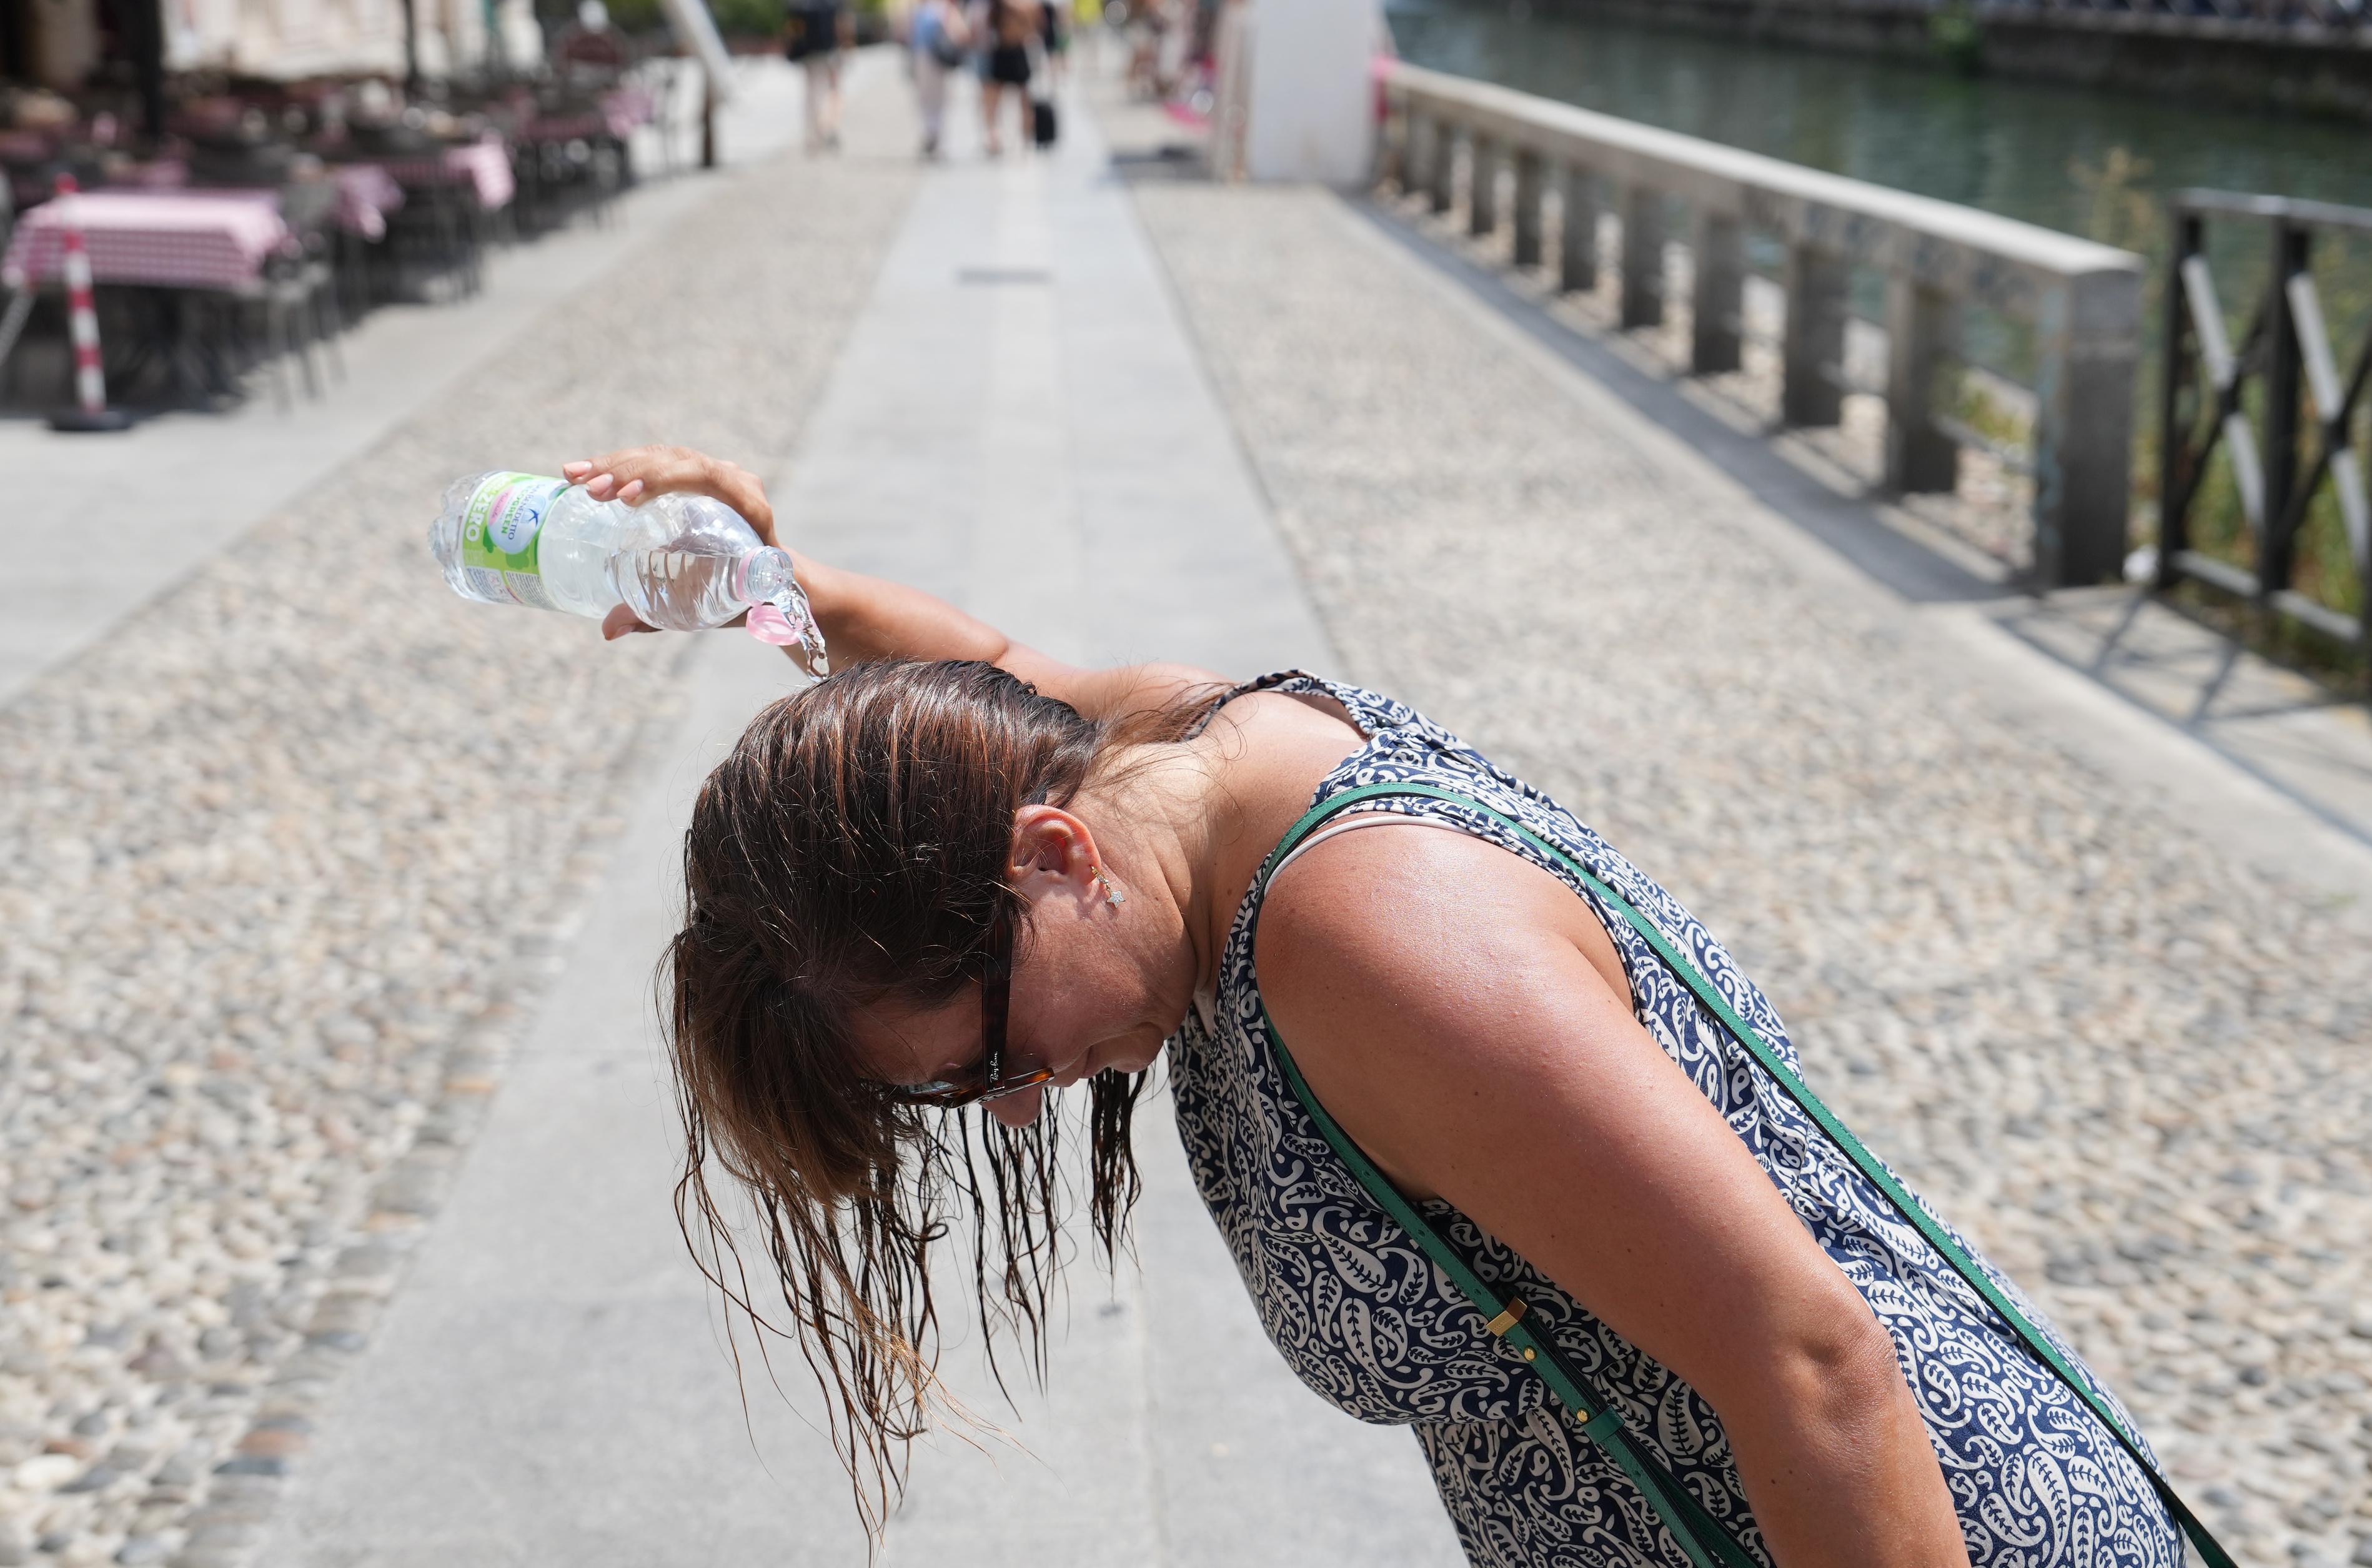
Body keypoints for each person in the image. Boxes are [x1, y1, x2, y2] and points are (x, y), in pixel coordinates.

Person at [564, 445, 2208, 1568]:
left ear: (1048, 858)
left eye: (991, 1056)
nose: (1016, 1100)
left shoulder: (1365, 942)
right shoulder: (1161, 769)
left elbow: (1808, 1360)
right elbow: (976, 676)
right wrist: (760, 582)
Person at [971, 0, 1042, 158]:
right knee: (1024, 98)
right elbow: (1037, 26)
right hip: (1019, 49)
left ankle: (994, 137)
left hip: (1001, 50)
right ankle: (1026, 140)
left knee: (993, 99)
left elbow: (984, 28)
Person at [784, 0, 852, 154]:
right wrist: (847, 48)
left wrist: (793, 48)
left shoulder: (800, 0)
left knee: (812, 94)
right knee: (834, 91)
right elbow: (842, 26)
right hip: (829, 52)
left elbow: (794, 29)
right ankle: (828, 125)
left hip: (809, 54)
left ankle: (814, 133)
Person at [907, 0, 970, 159]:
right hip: (940, 58)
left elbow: (907, 36)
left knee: (926, 99)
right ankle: (940, 140)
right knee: (943, 100)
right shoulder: (944, 8)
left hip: (922, 57)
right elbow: (962, 33)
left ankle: (930, 132)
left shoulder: (917, 11)